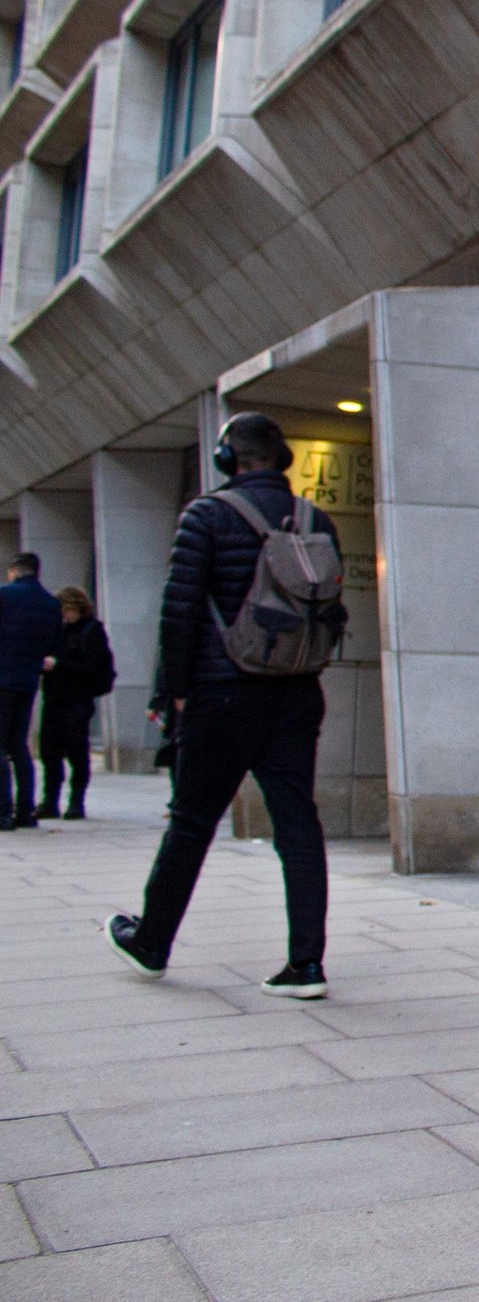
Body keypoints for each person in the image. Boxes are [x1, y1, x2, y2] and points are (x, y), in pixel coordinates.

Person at [106, 412, 340, 1000]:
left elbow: (179, 611)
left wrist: (171, 692)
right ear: (280, 459)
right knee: (297, 824)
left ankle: (151, 942)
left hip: (222, 691)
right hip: (296, 691)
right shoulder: (317, 520)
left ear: (227, 458)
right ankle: (306, 965)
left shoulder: (206, 515)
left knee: (190, 821)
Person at [36, 584, 114, 819]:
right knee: (49, 752)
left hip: (77, 700)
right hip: (54, 698)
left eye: (66, 611)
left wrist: (58, 665)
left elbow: (91, 668)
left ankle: (76, 802)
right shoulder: (58, 631)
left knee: (77, 753)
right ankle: (50, 801)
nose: (64, 616)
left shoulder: (92, 631)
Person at [0, 552, 61, 831]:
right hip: (27, 681)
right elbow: (53, 642)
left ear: (14, 570)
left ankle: (3, 812)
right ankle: (25, 811)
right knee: (18, 745)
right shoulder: (51, 603)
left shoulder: (5, 595)